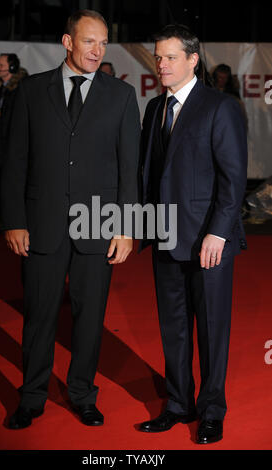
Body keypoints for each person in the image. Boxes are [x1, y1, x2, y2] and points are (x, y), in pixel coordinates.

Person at [1, 9, 140, 429]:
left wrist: (127, 226)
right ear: (67, 42)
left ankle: (82, 394)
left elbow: (128, 168)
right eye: (88, 42)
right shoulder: (30, 92)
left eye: (103, 43)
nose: (97, 51)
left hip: (98, 224)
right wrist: (14, 219)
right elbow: (14, 163)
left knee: (90, 319)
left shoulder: (120, 96)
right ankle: (32, 396)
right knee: (39, 315)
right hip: (41, 223)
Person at [139, 24, 247, 444]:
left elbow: (233, 179)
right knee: (174, 328)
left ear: (192, 60)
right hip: (166, 237)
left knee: (212, 329)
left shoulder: (220, 107)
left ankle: (212, 410)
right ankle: (178, 404)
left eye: (169, 57)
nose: (161, 64)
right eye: (157, 56)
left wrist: (218, 234)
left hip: (209, 243)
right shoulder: (153, 108)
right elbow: (149, 176)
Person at [0, 53, 27, 234]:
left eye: (1, 64)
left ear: (11, 67)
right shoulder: (0, 89)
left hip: (10, 150)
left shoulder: (19, 91)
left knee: (10, 189)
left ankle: (8, 224)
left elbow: (19, 122)